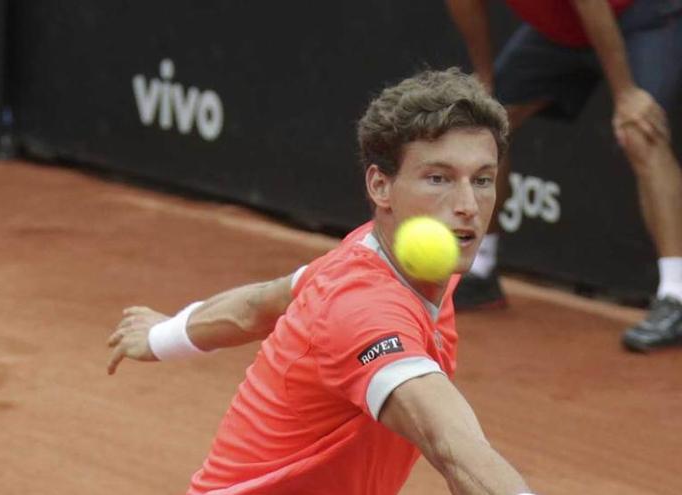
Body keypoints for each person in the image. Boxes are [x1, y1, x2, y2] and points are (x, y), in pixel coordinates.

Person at [107, 68, 536, 495]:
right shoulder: (362, 308)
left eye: (482, 179)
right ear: (381, 186)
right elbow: (453, 447)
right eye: (438, 178)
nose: (467, 205)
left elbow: (260, 305)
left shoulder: (377, 250)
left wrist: (163, 335)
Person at [445, 0, 682, 351]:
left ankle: (676, 295)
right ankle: (479, 270)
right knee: (486, 125)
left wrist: (626, 94)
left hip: (642, 17)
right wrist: (485, 79)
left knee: (640, 132)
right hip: (561, 34)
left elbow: (592, 5)